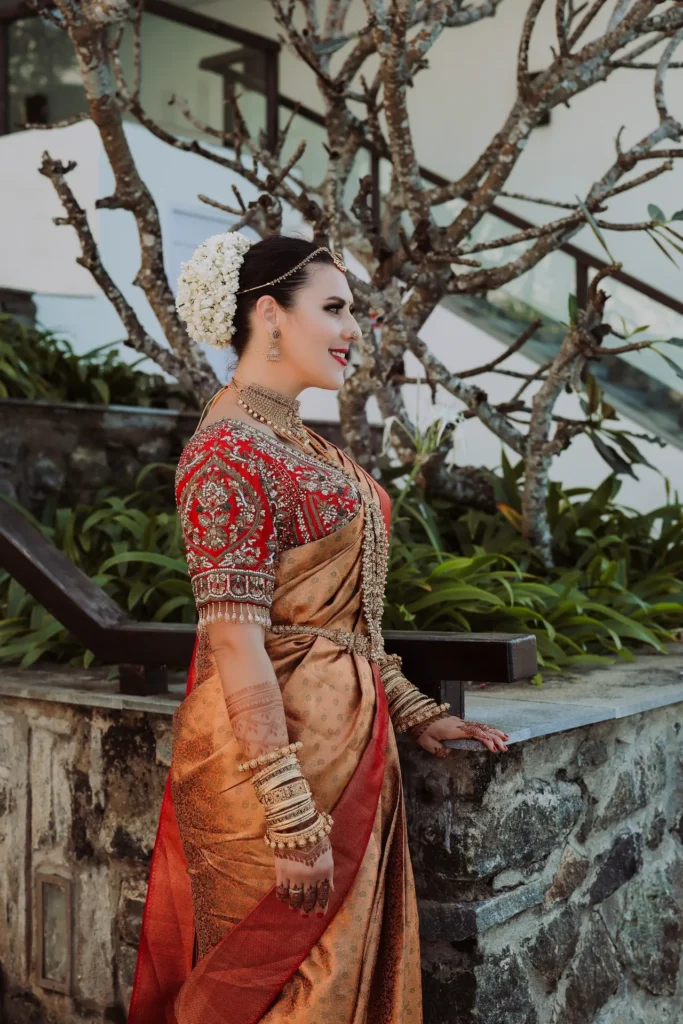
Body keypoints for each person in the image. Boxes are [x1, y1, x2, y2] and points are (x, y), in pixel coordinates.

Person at [128, 233, 509, 1024]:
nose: (351, 329)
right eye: (333, 309)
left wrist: (412, 709)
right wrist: (290, 814)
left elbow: (343, 621)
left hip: (348, 749)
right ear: (270, 314)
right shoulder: (226, 453)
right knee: (282, 994)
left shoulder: (296, 438)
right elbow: (235, 640)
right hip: (269, 778)